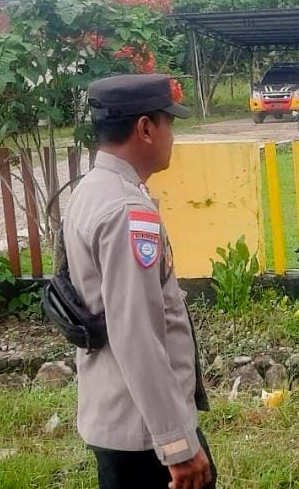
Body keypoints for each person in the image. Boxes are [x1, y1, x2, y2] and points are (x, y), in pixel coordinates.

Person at [64, 74, 215, 489]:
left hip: (119, 413)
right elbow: (137, 335)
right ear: (146, 128)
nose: (173, 135)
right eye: (170, 123)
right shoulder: (127, 210)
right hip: (143, 433)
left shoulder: (92, 189)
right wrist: (177, 446)